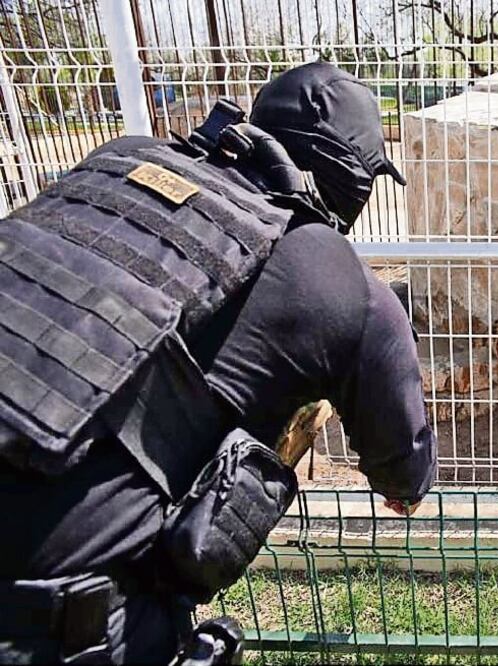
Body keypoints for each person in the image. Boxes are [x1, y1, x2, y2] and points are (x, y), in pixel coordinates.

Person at [0, 61, 436, 664]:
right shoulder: (343, 280)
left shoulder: (121, 157)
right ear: (350, 182)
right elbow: (405, 472)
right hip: (46, 618)